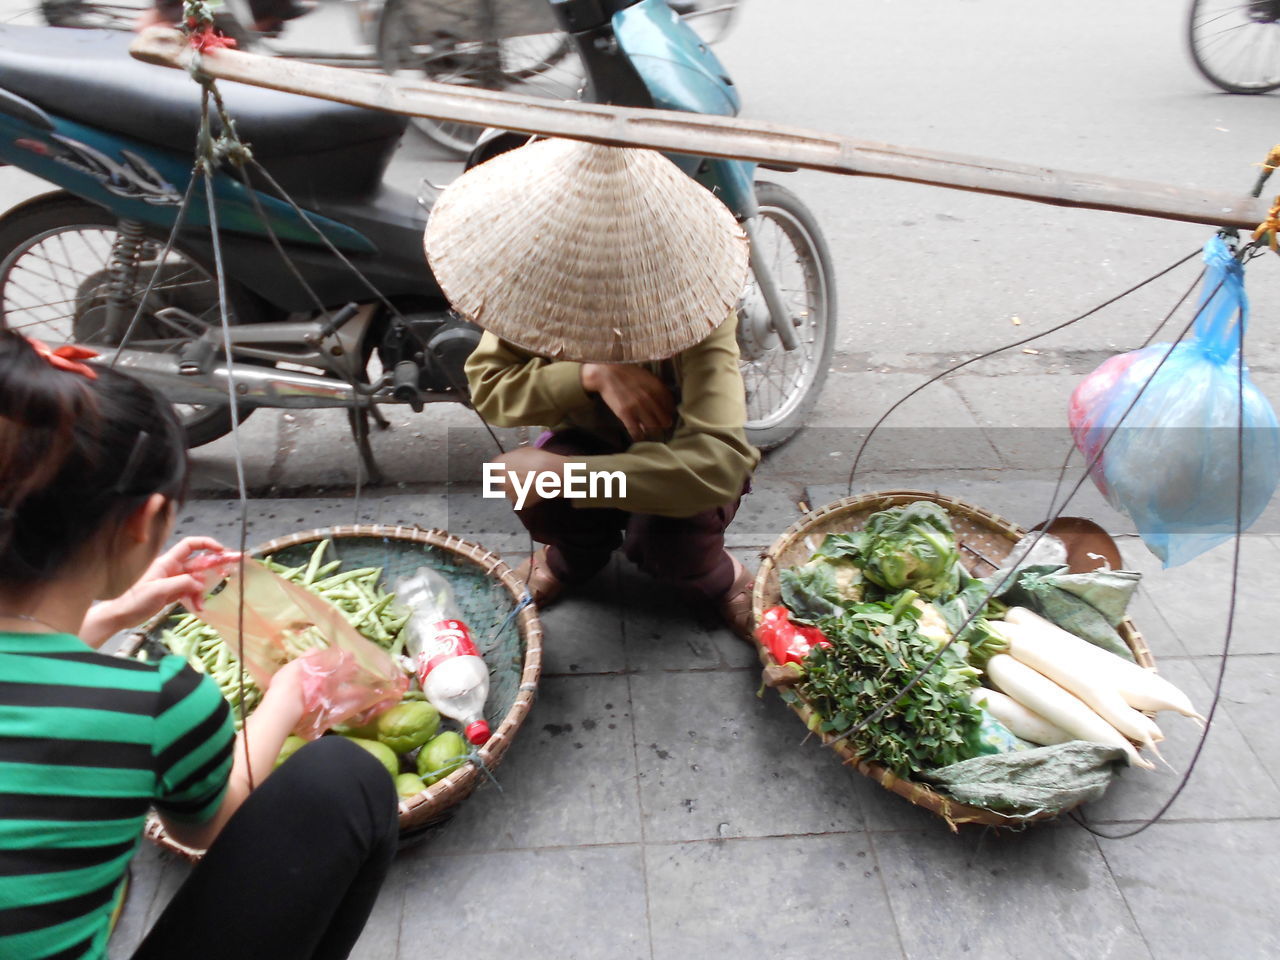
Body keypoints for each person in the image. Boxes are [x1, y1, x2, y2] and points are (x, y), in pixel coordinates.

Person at [0, 330, 397, 960]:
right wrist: (291, 692)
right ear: (147, 520)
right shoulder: (152, 698)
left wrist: (112, 614)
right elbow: (210, 824)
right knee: (343, 778)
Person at [424, 137, 760, 637]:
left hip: (671, 463)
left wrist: (569, 474)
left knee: (673, 542)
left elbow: (716, 463)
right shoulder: (533, 280)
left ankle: (720, 577)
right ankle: (572, 559)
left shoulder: (700, 308)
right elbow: (491, 389)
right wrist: (591, 374)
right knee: (517, 482)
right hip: (587, 440)